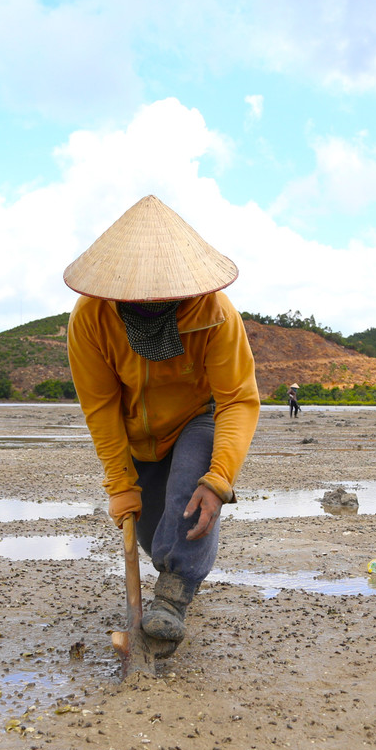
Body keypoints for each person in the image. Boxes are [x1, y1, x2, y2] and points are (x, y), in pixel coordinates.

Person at [65, 195, 260, 659]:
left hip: (198, 417)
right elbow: (102, 407)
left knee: (192, 500)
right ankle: (169, 573)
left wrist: (219, 480)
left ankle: (172, 599)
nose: (151, 303)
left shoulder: (215, 314)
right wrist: (120, 483)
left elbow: (236, 398)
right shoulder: (90, 321)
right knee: (158, 537)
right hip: (137, 434)